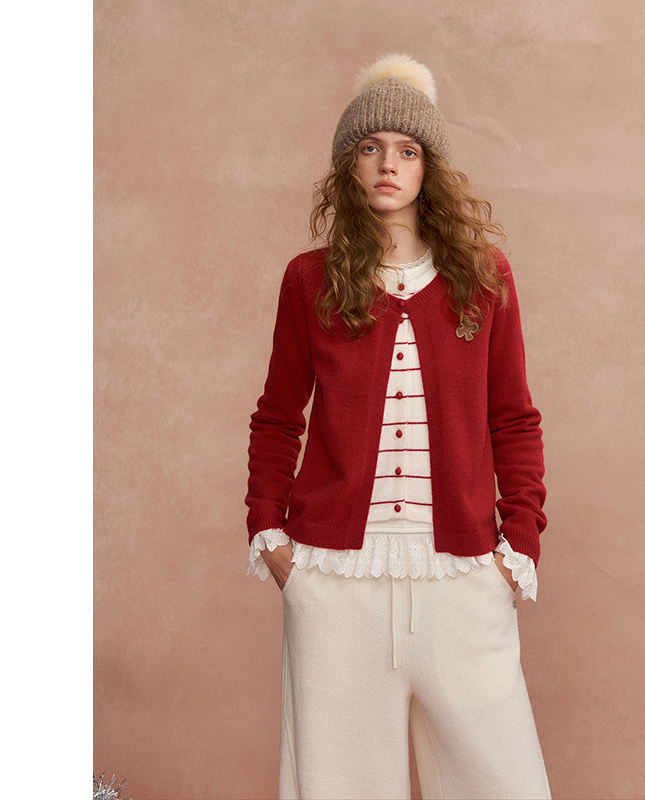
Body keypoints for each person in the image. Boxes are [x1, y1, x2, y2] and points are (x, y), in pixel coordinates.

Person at [245, 53, 551, 800]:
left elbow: (513, 419)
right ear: (349, 165)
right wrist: (270, 534)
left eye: (408, 150)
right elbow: (278, 417)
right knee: (337, 784)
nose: (388, 164)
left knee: (501, 781)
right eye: (370, 146)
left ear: (428, 167)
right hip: (334, 581)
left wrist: (518, 545)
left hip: (461, 574)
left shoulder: (484, 278)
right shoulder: (310, 280)